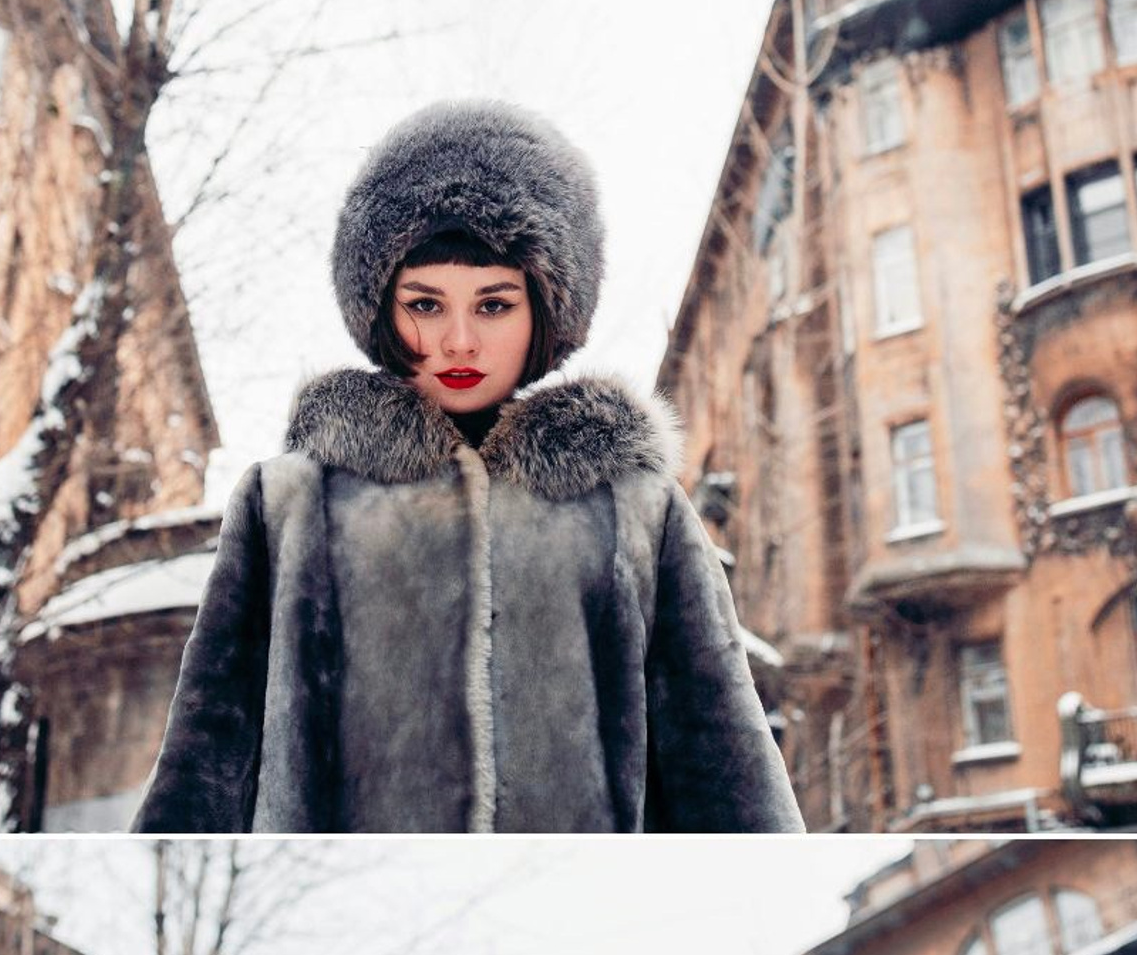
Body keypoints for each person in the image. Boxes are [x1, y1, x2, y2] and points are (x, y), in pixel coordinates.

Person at [132, 101, 804, 833]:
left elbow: (723, 766)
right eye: (425, 304)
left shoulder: (636, 507)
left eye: (493, 305)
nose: (459, 340)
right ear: (381, 308)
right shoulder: (289, 502)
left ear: (545, 309)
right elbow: (206, 758)